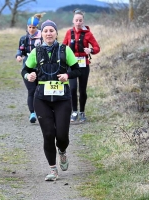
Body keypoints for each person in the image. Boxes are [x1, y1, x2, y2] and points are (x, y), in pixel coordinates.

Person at [21, 20, 81, 181]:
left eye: (51, 31)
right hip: (42, 99)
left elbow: (77, 70)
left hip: (62, 99)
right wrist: (29, 75)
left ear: (56, 33)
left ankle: (62, 150)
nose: (48, 33)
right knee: (48, 134)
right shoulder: (36, 51)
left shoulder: (64, 50)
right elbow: (25, 70)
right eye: (45, 30)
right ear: (42, 33)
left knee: (61, 135)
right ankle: (53, 170)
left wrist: (67, 75)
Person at [62, 9, 100, 123]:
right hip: (72, 65)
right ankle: (74, 111)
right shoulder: (69, 33)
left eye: (80, 20)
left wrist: (91, 50)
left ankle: (82, 112)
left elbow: (97, 48)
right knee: (72, 89)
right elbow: (63, 47)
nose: (78, 22)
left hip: (84, 65)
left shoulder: (88, 34)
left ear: (83, 21)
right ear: (73, 21)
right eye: (76, 20)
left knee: (82, 90)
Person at [15, 13, 45, 123]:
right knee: (31, 90)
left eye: (34, 27)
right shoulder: (24, 39)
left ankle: (43, 112)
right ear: (27, 27)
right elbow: (20, 49)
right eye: (30, 27)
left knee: (41, 90)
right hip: (27, 67)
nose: (31, 29)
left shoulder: (42, 37)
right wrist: (18, 55)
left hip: (41, 68)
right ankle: (32, 113)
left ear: (38, 27)